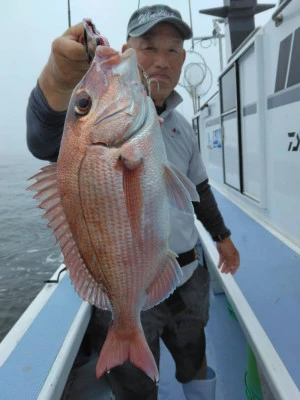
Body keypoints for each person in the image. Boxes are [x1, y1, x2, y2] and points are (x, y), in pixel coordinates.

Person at [26, 5, 240, 400]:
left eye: (174, 50)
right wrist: (57, 79)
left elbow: (200, 189)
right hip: (123, 286)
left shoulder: (180, 126)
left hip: (188, 275)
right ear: (127, 49)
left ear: (183, 60)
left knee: (193, 356)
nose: (162, 60)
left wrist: (222, 237)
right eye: (148, 47)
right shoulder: (98, 140)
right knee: (136, 386)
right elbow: (44, 139)